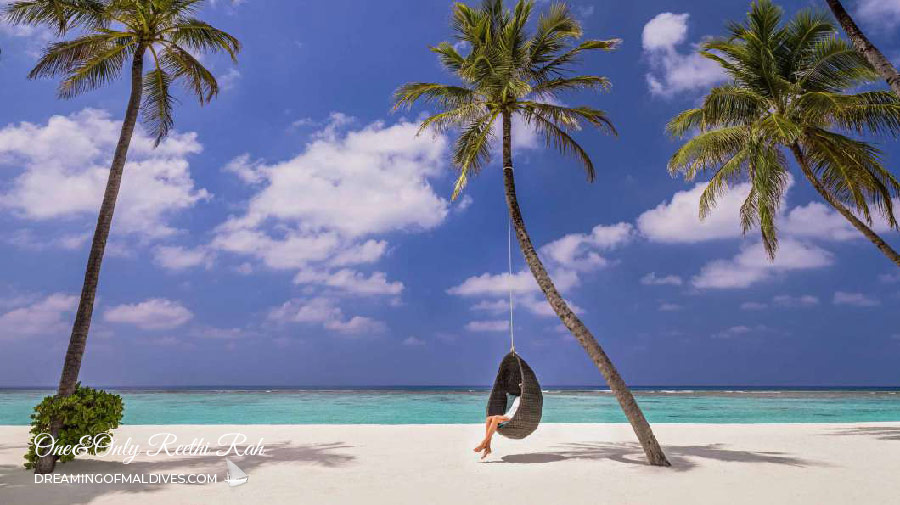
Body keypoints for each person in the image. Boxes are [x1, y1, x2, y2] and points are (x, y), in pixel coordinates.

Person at [474, 394, 520, 459]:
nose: (521, 387)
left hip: (514, 418)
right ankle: (488, 447)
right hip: (508, 415)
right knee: (488, 418)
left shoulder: (525, 399)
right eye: (520, 386)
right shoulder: (517, 398)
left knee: (495, 418)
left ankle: (483, 443)